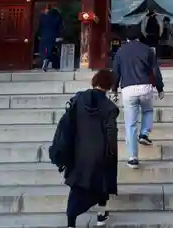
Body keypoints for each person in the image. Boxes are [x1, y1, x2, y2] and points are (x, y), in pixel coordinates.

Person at [49, 69, 119, 228]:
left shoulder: (78, 99)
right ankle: (101, 216)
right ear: (109, 85)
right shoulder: (110, 107)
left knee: (77, 187)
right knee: (103, 182)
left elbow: (68, 124)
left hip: (78, 151)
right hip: (100, 152)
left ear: (95, 81)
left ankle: (71, 223)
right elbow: (111, 133)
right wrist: (112, 152)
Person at [112, 36, 164, 169]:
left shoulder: (121, 51)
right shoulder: (147, 50)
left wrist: (114, 90)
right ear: (139, 37)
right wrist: (160, 88)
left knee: (130, 124)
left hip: (128, 88)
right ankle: (145, 133)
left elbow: (116, 72)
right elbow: (155, 71)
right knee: (147, 110)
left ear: (127, 38)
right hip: (145, 86)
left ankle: (133, 158)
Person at [37, 4, 63, 71]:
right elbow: (60, 28)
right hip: (53, 36)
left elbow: (39, 27)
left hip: (44, 36)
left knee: (44, 49)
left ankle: (45, 59)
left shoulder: (42, 17)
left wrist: (39, 35)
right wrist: (59, 36)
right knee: (51, 50)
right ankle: (52, 62)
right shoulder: (57, 18)